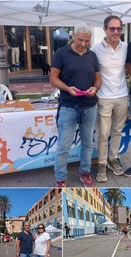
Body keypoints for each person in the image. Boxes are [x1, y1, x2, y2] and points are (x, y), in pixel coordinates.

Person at [50, 22, 101, 187]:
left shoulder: (92, 55)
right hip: (68, 106)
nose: (84, 44)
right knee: (63, 146)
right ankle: (60, 179)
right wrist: (67, 88)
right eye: (81, 40)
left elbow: (98, 78)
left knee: (87, 143)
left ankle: (85, 172)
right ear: (73, 35)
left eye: (87, 41)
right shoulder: (61, 53)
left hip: (90, 105)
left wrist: (95, 87)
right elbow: (53, 79)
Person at [91, 16, 128, 182]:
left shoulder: (126, 47)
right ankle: (102, 164)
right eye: (112, 28)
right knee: (104, 134)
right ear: (105, 29)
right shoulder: (95, 49)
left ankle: (114, 159)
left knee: (117, 131)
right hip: (104, 98)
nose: (115, 32)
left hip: (122, 96)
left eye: (118, 28)